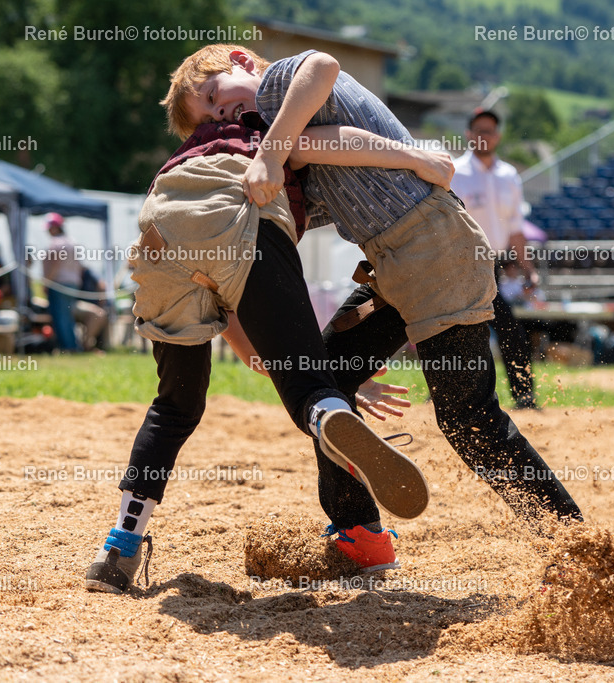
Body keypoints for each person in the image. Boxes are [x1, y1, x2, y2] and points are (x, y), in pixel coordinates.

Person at [170, 45, 582, 544]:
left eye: (215, 94)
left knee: (468, 417)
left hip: (433, 249)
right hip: (397, 262)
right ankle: (359, 535)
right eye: (210, 115)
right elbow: (311, 163)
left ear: (241, 60)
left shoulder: (278, 87)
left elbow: (321, 65)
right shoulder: (284, 138)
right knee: (324, 386)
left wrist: (275, 153)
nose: (222, 112)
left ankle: (576, 549)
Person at [84, 108, 449, 594]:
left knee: (174, 405)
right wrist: (417, 157)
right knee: (308, 389)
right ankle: (324, 416)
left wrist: (302, 365)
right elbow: (331, 105)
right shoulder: (270, 122)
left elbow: (245, 333)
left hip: (162, 233)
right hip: (243, 226)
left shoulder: (185, 152)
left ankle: (118, 550)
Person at [452, 109, 539, 409]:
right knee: (468, 331)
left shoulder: (509, 176)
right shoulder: (454, 172)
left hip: (495, 264)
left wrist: (529, 270)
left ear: (498, 136)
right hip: (463, 264)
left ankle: (523, 395)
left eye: (489, 131)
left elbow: (515, 230)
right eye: (478, 130)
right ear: (468, 134)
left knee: (500, 330)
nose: (483, 136)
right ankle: (519, 396)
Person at [42, 213, 81, 352]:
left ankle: (68, 347)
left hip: (58, 284)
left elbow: (54, 265)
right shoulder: (72, 241)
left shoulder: (56, 243)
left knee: (60, 317)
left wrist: (46, 283)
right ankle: (73, 345)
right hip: (73, 284)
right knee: (68, 317)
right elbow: (79, 266)